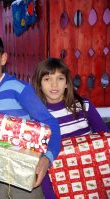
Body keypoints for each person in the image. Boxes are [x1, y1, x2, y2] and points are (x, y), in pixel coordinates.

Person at [0, 31, 61, 199]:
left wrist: (46, 159)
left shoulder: (19, 89)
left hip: (25, 173)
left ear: (3, 58)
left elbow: (50, 123)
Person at [32, 57, 109, 198]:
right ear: (39, 84)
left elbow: (104, 138)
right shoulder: (36, 116)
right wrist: (50, 195)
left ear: (67, 83)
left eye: (60, 78)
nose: (54, 85)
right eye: (47, 79)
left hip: (92, 176)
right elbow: (41, 160)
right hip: (58, 182)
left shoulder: (83, 105)